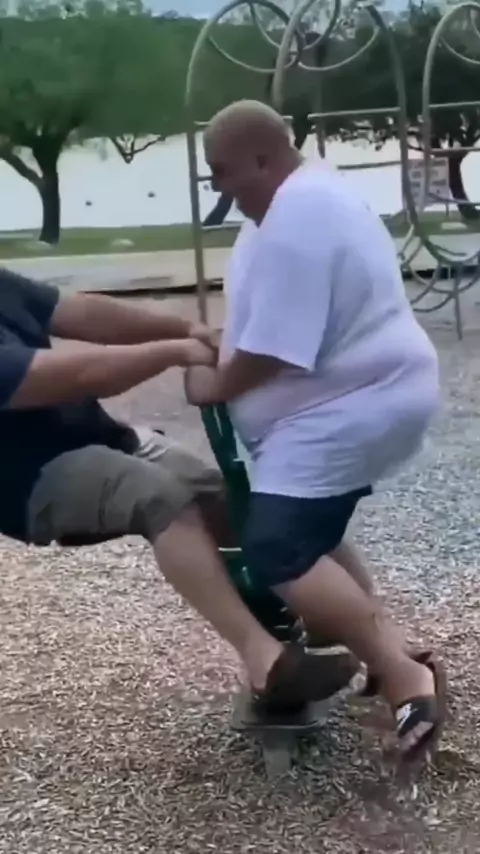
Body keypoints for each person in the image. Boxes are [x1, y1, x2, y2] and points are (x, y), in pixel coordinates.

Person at [184, 99, 447, 762]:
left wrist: (216, 383)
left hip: (351, 407)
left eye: (222, 171)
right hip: (348, 404)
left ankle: (403, 675)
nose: (219, 187)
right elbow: (268, 322)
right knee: (312, 537)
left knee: (277, 549)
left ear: (262, 158)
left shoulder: (298, 216)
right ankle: (389, 651)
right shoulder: (299, 205)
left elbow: (277, 348)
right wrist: (216, 347)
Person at [0, 267, 361, 711]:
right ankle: (266, 663)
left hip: (99, 436)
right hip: (27, 477)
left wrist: (185, 328)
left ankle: (317, 618)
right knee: (158, 496)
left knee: (227, 499)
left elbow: (85, 314)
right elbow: (75, 375)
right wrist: (174, 350)